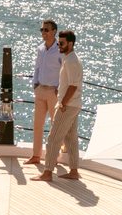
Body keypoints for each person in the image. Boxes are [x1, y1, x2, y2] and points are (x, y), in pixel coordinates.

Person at [33, 30, 82, 182]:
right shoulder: (69, 58)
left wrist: (62, 102)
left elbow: (73, 86)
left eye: (61, 43)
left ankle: (47, 172)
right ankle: (74, 170)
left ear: (70, 44)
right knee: (71, 138)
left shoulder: (71, 61)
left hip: (68, 105)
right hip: (74, 104)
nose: (59, 45)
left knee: (53, 138)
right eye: (58, 43)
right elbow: (69, 83)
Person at [23, 19, 62, 165]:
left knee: (55, 126)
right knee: (37, 124)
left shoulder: (60, 49)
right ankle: (36, 155)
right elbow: (37, 68)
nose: (43, 33)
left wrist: (59, 88)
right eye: (42, 30)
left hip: (53, 92)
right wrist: (35, 85)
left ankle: (54, 157)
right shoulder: (40, 49)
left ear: (54, 32)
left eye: (46, 30)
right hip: (40, 90)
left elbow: (64, 71)